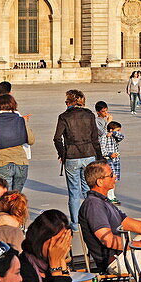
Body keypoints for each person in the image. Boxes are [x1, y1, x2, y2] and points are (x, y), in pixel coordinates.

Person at [77, 160, 141, 273]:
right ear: (100, 182)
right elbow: (108, 240)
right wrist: (138, 244)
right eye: (110, 175)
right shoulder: (93, 205)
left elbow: (139, 226)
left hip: (125, 252)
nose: (115, 176)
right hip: (117, 261)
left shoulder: (103, 201)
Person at [52, 90, 103, 226]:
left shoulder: (64, 116)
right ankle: (91, 220)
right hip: (89, 154)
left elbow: (57, 138)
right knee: (89, 190)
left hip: (72, 155)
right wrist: (100, 157)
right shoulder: (89, 115)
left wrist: (62, 153)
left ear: (71, 102)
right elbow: (95, 138)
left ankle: (75, 223)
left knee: (74, 191)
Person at [0, 95, 34, 194]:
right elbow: (31, 140)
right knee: (16, 196)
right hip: (21, 162)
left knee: (5, 197)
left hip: (2, 162)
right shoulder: (21, 120)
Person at [102, 122, 124, 187]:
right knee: (110, 178)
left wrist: (113, 133)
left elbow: (122, 136)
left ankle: (112, 194)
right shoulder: (104, 137)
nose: (119, 132)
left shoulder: (115, 136)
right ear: (111, 129)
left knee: (115, 178)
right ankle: (110, 195)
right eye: (117, 130)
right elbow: (102, 150)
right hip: (108, 159)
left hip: (116, 159)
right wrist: (110, 154)